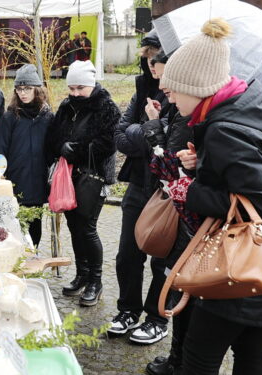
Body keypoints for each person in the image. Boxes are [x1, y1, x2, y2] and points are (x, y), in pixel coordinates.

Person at [161, 18, 262, 374]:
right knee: (251, 352)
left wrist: (189, 190)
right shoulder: (244, 111)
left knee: (198, 357)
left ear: (198, 87)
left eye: (174, 89)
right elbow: (247, 182)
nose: (170, 96)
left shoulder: (225, 128)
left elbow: (261, 199)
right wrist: (201, 164)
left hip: (242, 260)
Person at [137, 48, 197, 375]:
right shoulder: (180, 111)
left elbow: (168, 167)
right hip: (188, 219)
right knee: (178, 289)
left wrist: (152, 127)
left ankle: (179, 362)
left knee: (183, 292)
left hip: (190, 224)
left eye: (173, 88)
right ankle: (177, 360)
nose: (168, 94)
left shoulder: (192, 118)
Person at [110, 31, 170, 345]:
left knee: (163, 260)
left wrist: (151, 130)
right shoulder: (141, 87)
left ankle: (157, 318)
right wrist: (150, 128)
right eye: (146, 58)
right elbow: (120, 136)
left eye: (156, 57)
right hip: (138, 183)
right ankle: (128, 310)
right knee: (127, 255)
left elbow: (172, 141)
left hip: (169, 191)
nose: (151, 64)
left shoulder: (180, 92)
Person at [46, 60, 119, 306]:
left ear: (91, 84)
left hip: (93, 175)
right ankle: (82, 274)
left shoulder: (106, 107)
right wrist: (60, 146)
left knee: (87, 227)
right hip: (69, 176)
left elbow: (108, 144)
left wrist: (76, 151)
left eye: (81, 88)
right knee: (74, 227)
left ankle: (96, 282)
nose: (76, 93)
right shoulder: (67, 105)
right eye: (72, 88)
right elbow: (54, 134)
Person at [0, 64, 52, 246]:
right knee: (15, 225)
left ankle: (32, 256)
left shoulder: (47, 116)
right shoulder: (10, 117)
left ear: (37, 89)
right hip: (15, 180)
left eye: (27, 88)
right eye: (19, 89)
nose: (23, 93)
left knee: (35, 224)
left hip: (39, 180)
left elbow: (53, 147)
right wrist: (0, 175)